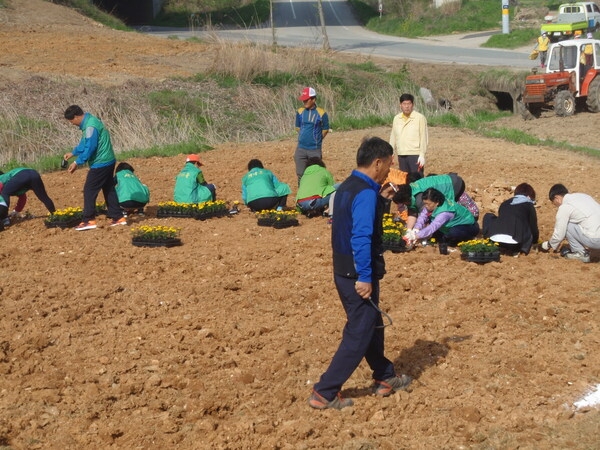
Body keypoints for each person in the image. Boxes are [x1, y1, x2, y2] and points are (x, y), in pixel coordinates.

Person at [308, 136, 412, 411]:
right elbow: (362, 236)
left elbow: (351, 222)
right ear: (377, 162)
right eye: (389, 165)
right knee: (360, 330)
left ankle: (385, 376)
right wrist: (365, 276)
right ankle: (325, 391)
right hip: (357, 273)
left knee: (371, 324)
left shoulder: (347, 188)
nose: (390, 171)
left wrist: (380, 201)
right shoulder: (365, 193)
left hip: (342, 269)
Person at [63, 104, 126, 231]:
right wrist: (74, 152)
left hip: (100, 162)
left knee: (89, 190)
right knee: (108, 189)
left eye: (71, 121)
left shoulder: (90, 127)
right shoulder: (90, 121)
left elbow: (90, 147)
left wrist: (77, 162)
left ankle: (89, 220)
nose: (72, 124)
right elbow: (85, 142)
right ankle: (118, 217)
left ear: (76, 117)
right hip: (108, 160)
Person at [392, 172, 479, 228]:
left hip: (453, 185)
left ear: (407, 199)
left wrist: (418, 233)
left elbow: (426, 216)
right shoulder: (409, 191)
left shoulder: (419, 197)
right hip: (448, 182)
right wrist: (409, 230)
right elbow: (412, 213)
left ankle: (468, 225)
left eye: (403, 203)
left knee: (447, 209)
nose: (404, 205)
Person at [541, 184, 600, 263]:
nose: (555, 205)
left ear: (557, 198)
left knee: (567, 225)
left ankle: (580, 253)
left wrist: (548, 245)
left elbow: (559, 234)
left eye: (553, 203)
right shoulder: (584, 196)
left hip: (595, 240)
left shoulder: (565, 207)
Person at [405, 187, 479, 247]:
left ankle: (469, 238)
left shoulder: (445, 213)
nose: (426, 206)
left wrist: (415, 236)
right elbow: (422, 216)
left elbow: (433, 226)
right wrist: (416, 229)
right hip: (448, 226)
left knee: (453, 234)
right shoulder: (431, 206)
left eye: (428, 204)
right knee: (434, 237)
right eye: (425, 204)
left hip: (468, 226)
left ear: (437, 202)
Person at [482, 183, 539, 255]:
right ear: (529, 196)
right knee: (526, 225)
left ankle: (486, 239)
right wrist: (535, 242)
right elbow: (533, 226)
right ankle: (522, 249)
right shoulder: (529, 205)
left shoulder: (505, 203)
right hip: (516, 243)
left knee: (489, 216)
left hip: (495, 240)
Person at [294, 87, 329, 184]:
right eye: (303, 99)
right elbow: (297, 127)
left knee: (316, 174)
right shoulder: (300, 112)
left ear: (313, 99)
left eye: (306, 99)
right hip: (301, 148)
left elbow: (325, 129)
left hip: (314, 149)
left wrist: (317, 139)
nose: (304, 101)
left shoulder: (321, 113)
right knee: (300, 174)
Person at [389, 93, 428, 177]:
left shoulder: (420, 118)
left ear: (412, 105)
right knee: (404, 180)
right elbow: (393, 137)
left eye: (409, 104)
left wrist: (422, 155)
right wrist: (391, 152)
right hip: (401, 154)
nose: (407, 106)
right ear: (400, 105)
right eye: (404, 104)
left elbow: (424, 138)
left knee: (417, 180)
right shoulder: (396, 118)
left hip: (415, 155)